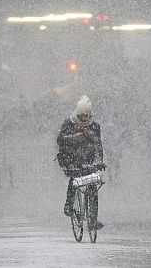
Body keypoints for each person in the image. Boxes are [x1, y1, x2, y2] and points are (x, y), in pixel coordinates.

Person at [57, 95, 104, 230]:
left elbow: (98, 146)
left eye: (86, 115)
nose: (83, 118)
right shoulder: (69, 123)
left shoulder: (95, 126)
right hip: (70, 158)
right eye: (81, 115)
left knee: (93, 187)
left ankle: (93, 220)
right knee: (75, 178)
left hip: (88, 159)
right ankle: (69, 205)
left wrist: (99, 161)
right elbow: (60, 140)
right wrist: (73, 138)